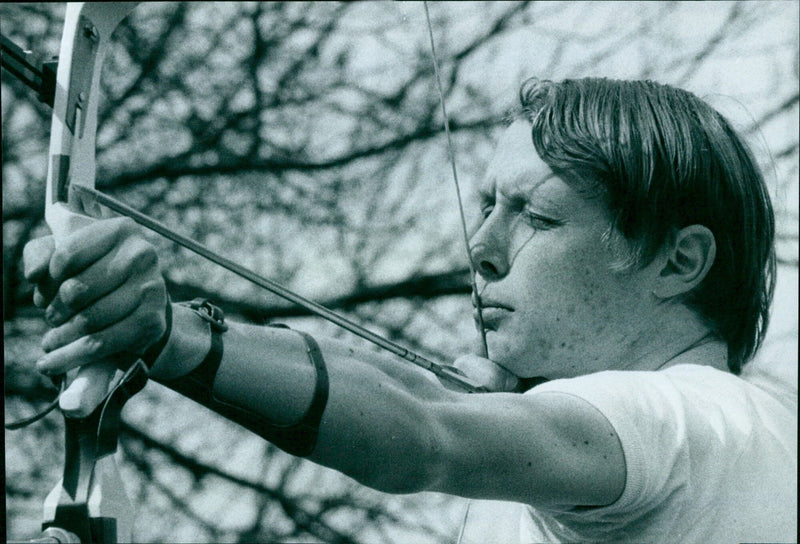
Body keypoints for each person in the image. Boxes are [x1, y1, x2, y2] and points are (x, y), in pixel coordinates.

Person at [24, 77, 796, 543]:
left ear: (678, 260)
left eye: (536, 215)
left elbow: (424, 429)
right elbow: (429, 406)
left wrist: (175, 336)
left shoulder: (679, 420)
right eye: (487, 205)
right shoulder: (760, 434)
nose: (481, 247)